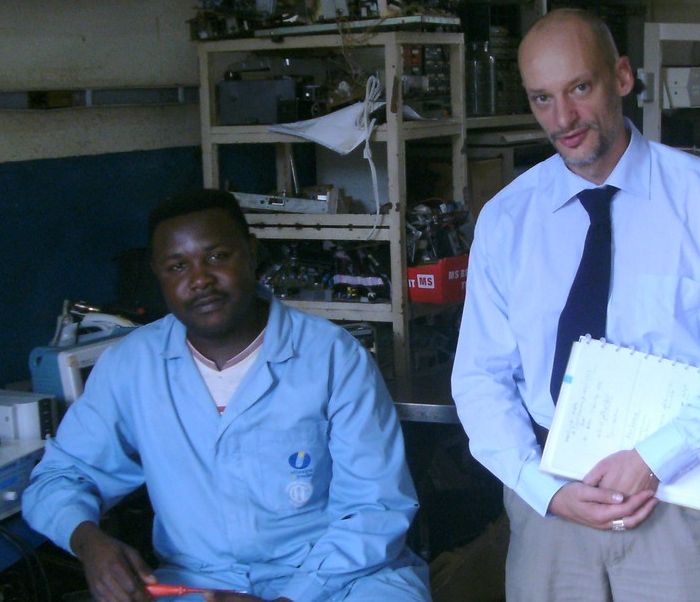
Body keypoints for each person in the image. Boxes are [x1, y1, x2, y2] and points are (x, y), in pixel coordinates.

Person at [451, 9, 700, 601]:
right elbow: (480, 375)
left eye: (580, 88)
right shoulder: (506, 220)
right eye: (542, 99)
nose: (564, 119)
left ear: (622, 77)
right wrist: (541, 487)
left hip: (674, 494)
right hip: (550, 496)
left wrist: (653, 458)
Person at [23, 189, 431, 602]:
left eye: (217, 256)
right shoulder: (131, 365)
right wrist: (89, 543)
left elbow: (375, 506)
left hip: (337, 577)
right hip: (197, 583)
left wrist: (295, 597)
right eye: (177, 266)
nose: (199, 279)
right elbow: (58, 477)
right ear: (158, 275)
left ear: (252, 253)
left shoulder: (332, 356)